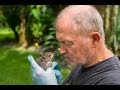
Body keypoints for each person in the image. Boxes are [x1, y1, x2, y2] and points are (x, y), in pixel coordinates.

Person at [28, 5, 120, 85]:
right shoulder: (84, 61)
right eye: (60, 42)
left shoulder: (112, 80)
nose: (61, 50)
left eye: (68, 43)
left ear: (94, 39)